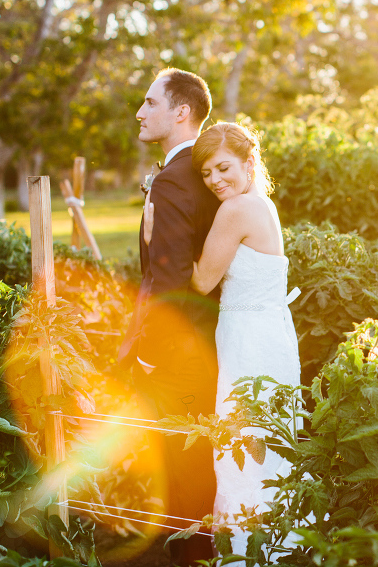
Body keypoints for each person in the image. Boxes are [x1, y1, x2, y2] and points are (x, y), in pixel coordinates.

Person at [142, 122, 301, 558]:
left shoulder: (235, 212)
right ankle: (278, 545)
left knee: (241, 448)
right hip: (272, 338)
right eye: (208, 173)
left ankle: (247, 550)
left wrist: (156, 238)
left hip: (247, 342)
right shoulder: (262, 204)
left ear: (250, 162)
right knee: (267, 449)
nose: (214, 181)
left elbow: (200, 280)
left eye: (223, 168)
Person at [121, 67, 220, 565]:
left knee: (182, 468)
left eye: (150, 103)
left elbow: (173, 281)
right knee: (193, 462)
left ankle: (189, 555)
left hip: (180, 356)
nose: (139, 113)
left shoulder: (177, 181)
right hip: (204, 346)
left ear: (181, 112)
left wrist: (154, 356)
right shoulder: (198, 176)